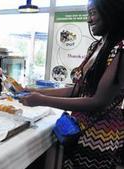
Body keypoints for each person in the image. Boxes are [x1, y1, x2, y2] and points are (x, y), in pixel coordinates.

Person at [19, 0, 124, 168]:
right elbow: (77, 90)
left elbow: (98, 101)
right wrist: (36, 91)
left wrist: (41, 100)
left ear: (110, 13)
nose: (89, 20)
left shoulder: (120, 49)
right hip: (78, 129)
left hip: (99, 134)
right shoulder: (96, 46)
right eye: (88, 14)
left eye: (93, 13)